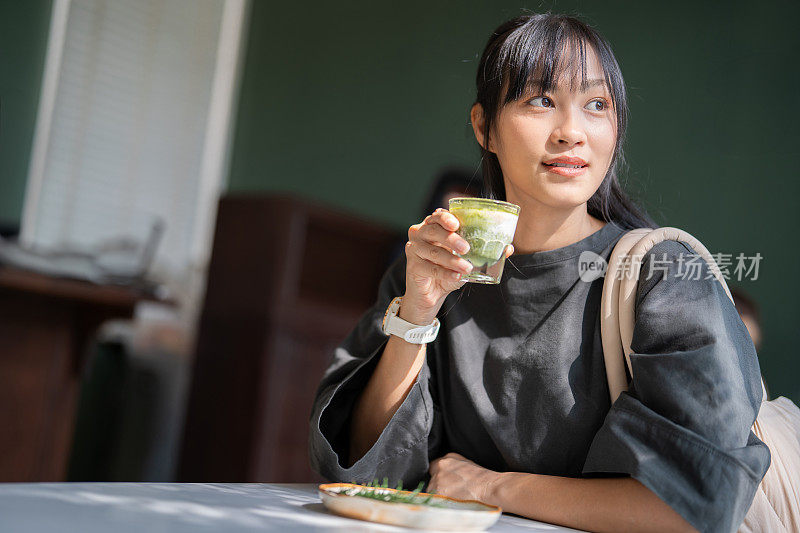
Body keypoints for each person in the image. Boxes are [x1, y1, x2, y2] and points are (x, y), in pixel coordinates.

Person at [308, 13, 769, 533]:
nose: (572, 132)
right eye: (541, 101)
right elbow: (368, 471)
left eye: (597, 105)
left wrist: (488, 487)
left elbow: (696, 506)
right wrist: (416, 310)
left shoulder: (666, 278)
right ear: (485, 128)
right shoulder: (437, 272)